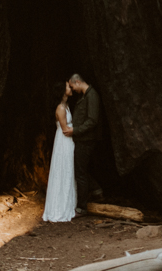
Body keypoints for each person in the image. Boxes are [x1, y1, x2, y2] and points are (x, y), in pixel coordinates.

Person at [64, 73, 101, 215]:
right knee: (81, 168)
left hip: (86, 139)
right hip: (82, 138)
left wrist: (75, 130)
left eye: (72, 86)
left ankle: (82, 207)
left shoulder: (91, 96)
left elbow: (92, 120)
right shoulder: (85, 95)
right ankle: (96, 189)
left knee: (80, 173)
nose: (72, 90)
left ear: (77, 82)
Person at [42, 80, 77, 222]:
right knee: (63, 170)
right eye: (68, 86)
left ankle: (68, 204)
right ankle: (58, 208)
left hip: (68, 141)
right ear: (63, 90)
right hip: (64, 141)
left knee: (68, 170)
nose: (71, 87)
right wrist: (81, 128)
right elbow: (65, 130)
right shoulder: (60, 109)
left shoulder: (66, 106)